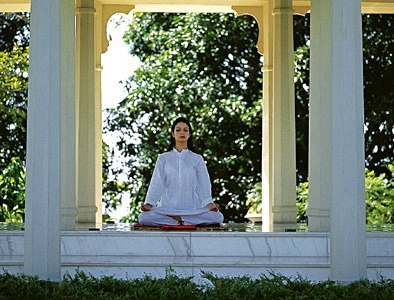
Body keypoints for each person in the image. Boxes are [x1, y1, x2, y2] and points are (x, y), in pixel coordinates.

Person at [138, 117, 224, 226]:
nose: (182, 132)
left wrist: (209, 203)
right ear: (173, 134)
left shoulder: (197, 159)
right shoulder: (163, 158)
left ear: (189, 134)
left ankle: (180, 220)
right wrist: (149, 203)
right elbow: (157, 182)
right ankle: (180, 221)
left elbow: (204, 184)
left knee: (217, 217)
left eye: (185, 130)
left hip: (192, 210)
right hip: (167, 210)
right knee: (144, 218)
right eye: (178, 130)